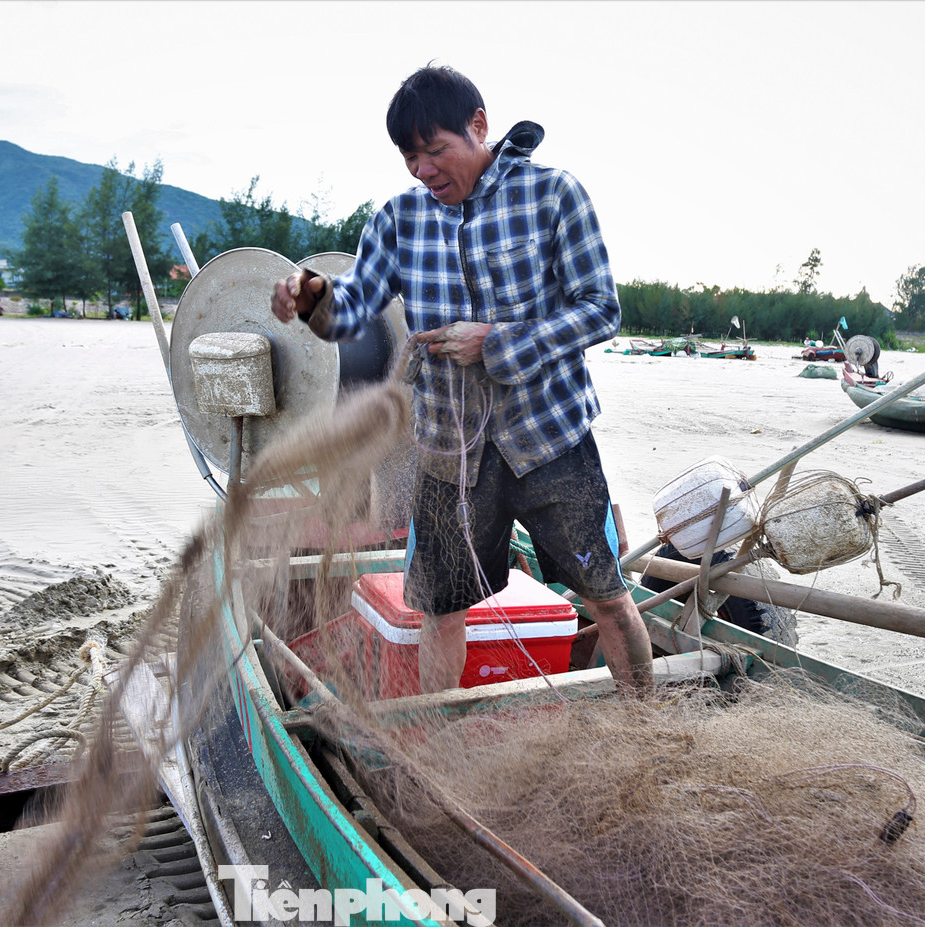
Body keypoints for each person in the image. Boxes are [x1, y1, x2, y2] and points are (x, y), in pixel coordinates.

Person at [271, 64, 653, 695]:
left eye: (434, 150)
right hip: (448, 449)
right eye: (409, 157)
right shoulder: (399, 219)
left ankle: (646, 720)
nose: (422, 169)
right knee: (440, 609)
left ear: (478, 126)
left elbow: (600, 309)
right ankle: (440, 733)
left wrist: (498, 342)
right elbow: (353, 310)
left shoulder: (553, 195)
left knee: (607, 597)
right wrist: (311, 297)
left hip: (550, 440)